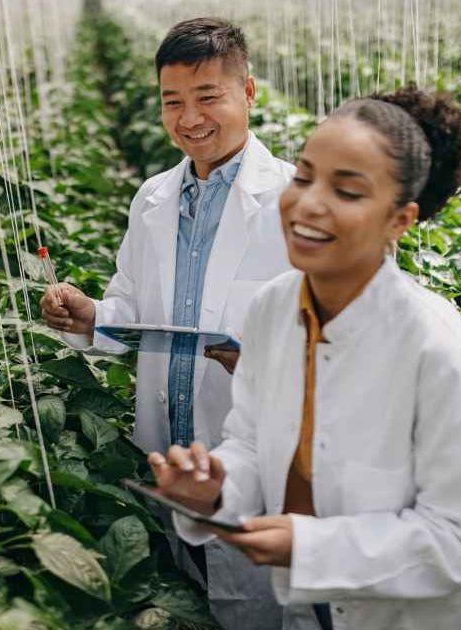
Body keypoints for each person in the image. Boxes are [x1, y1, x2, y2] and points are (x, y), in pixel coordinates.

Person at [147, 86, 461, 629]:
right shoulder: (273, 308)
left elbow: (460, 542)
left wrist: (312, 546)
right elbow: (251, 437)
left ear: (400, 221)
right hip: (313, 608)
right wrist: (217, 487)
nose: (310, 203)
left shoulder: (439, 352)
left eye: (347, 190)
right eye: (304, 176)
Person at [39, 17, 292, 630]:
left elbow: (329, 340)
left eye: (209, 97)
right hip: (168, 450)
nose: (189, 118)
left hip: (250, 461)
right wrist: (90, 316)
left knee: (260, 607)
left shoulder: (292, 200)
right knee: (186, 596)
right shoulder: (153, 198)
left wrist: (260, 358)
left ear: (249, 93)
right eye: (172, 102)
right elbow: (131, 305)